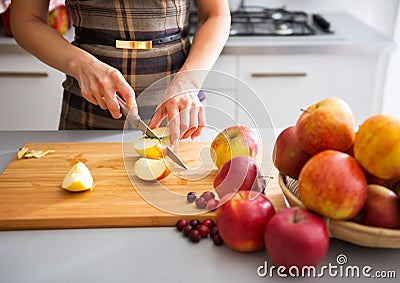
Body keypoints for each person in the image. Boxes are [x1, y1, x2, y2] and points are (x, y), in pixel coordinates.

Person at [11, 0, 231, 145]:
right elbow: (25, 20)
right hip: (86, 117)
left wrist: (188, 83)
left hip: (180, 117)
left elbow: (216, 15)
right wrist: (82, 65)